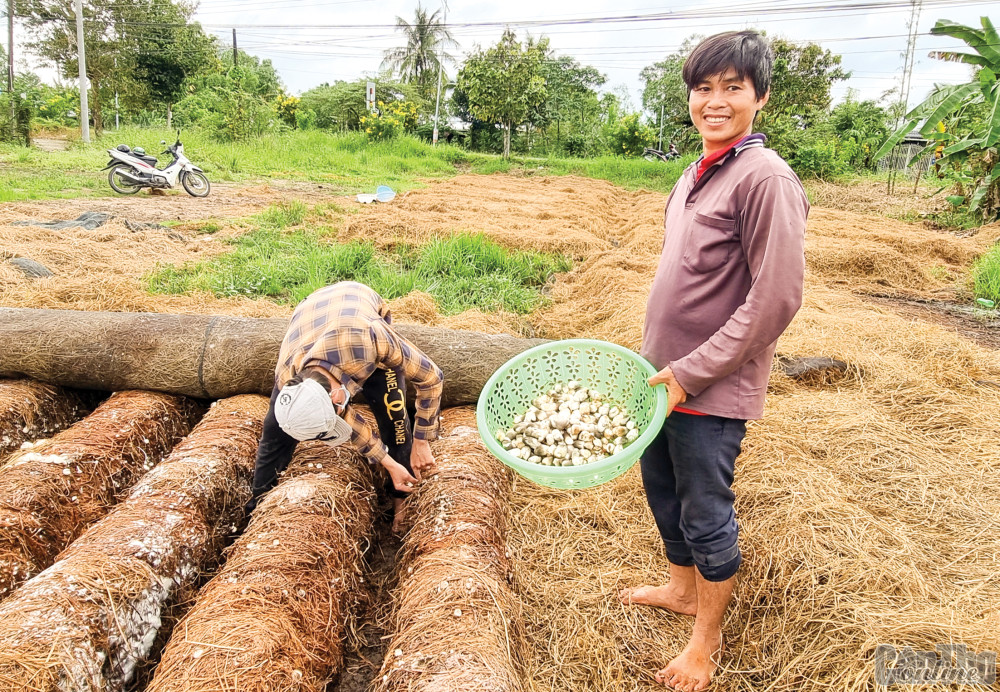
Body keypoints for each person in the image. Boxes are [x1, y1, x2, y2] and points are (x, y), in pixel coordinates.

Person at [619, 30, 808, 691]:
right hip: (660, 381)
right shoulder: (695, 173)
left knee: (705, 512)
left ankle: (705, 642)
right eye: (703, 88)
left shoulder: (765, 178)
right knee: (663, 492)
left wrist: (691, 371)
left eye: (733, 87)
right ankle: (680, 590)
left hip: (708, 389)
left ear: (761, 97)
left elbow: (776, 298)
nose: (715, 101)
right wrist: (659, 366)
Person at [249, 281, 443, 533]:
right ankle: (257, 510)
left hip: (356, 306)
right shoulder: (289, 376)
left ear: (337, 396)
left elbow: (432, 378)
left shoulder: (371, 338)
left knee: (394, 417)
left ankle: (401, 500)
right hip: (312, 315)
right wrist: (388, 464)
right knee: (274, 435)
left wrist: (422, 441)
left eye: (336, 412)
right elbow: (345, 421)